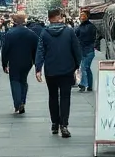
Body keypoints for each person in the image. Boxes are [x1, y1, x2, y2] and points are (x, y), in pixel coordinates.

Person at [35, 8, 82, 138]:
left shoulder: (44, 33)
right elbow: (76, 49)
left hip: (50, 71)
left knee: (53, 96)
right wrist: (77, 65)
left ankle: (55, 123)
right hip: (67, 69)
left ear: (49, 18)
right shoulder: (69, 31)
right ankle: (64, 125)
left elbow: (40, 51)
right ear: (59, 17)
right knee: (65, 97)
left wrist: (38, 68)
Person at [1, 13, 39, 114]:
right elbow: (37, 49)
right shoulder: (31, 34)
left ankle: (18, 103)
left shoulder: (10, 33)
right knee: (23, 80)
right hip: (27, 62)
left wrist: (4, 63)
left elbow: (5, 50)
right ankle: (22, 101)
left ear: (15, 21)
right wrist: (36, 63)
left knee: (15, 81)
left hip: (14, 61)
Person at [75, 10, 101, 92]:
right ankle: (89, 85)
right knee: (87, 68)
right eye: (81, 15)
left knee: (84, 67)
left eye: (83, 15)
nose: (81, 17)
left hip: (88, 51)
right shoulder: (81, 26)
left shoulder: (90, 27)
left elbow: (87, 38)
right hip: (84, 50)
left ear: (87, 16)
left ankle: (83, 84)